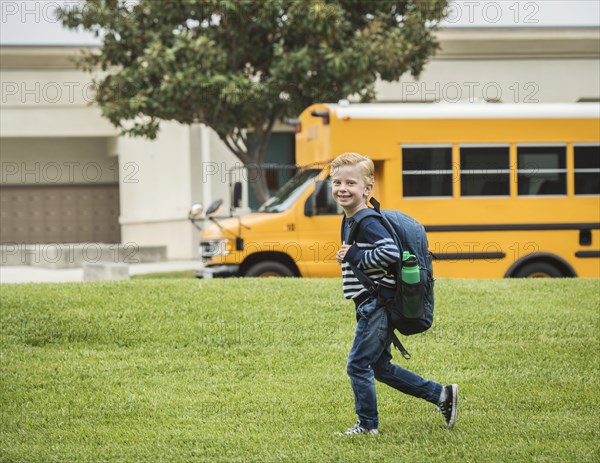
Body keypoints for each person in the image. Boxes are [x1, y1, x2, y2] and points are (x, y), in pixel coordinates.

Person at [331, 152, 458, 435]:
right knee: (379, 366)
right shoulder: (351, 219)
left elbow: (388, 251)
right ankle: (441, 395)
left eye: (350, 183)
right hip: (369, 303)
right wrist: (353, 254)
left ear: (367, 188)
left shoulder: (366, 220)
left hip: (377, 304)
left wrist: (354, 254)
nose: (342, 188)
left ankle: (367, 426)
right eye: (337, 181)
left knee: (358, 365)